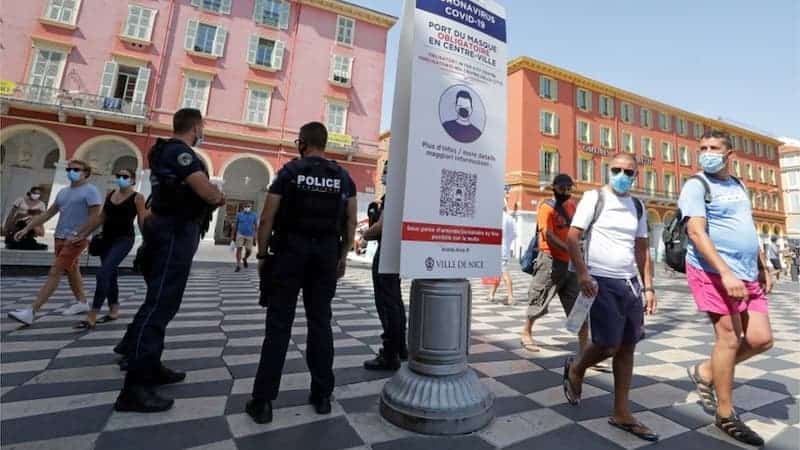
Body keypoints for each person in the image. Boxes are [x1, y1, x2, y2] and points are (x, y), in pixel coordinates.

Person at [113, 108, 225, 413]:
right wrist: (217, 195)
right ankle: (135, 388)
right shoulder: (181, 153)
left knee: (159, 300)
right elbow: (206, 190)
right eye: (202, 126)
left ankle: (148, 363)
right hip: (176, 230)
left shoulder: (163, 150)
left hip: (167, 227)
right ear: (196, 126)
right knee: (161, 304)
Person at [247, 122, 357, 424]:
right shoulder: (342, 176)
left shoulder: (289, 172)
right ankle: (322, 395)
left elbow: (267, 216)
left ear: (302, 143)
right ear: (325, 143)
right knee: (320, 322)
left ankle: (264, 402)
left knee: (279, 325)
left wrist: (261, 253)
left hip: (289, 253)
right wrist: (343, 254)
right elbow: (350, 221)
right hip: (325, 255)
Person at [679, 131, 773, 447]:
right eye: (702, 148)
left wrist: (762, 264)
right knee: (729, 339)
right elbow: (695, 231)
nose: (707, 153)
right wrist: (725, 273)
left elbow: (747, 227)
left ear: (729, 153)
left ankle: (706, 370)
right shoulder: (696, 185)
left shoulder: (738, 185)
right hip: (712, 271)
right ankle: (725, 413)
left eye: (714, 148)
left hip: (746, 272)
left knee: (761, 339)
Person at [563, 152, 659, 442]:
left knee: (628, 347)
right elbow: (572, 237)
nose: (621, 175)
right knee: (607, 343)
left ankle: (621, 411)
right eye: (616, 169)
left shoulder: (638, 207)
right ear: (608, 170)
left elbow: (642, 250)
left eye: (628, 172)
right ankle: (578, 367)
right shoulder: (594, 198)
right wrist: (582, 275)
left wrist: (649, 287)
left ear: (636, 176)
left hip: (629, 283)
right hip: (599, 280)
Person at [8, 161, 103, 325]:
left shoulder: (91, 191)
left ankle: (32, 311)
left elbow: (95, 217)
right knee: (72, 270)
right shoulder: (63, 192)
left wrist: (80, 234)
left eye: (75, 169)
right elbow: (49, 213)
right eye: (69, 169)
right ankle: (82, 303)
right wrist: (27, 228)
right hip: (59, 237)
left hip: (75, 239)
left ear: (86, 173)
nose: (71, 172)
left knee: (55, 271)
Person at [70, 169, 148, 329]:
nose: (121, 179)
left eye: (125, 176)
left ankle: (92, 314)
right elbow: (100, 218)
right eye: (118, 176)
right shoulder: (111, 194)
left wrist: (147, 242)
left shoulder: (138, 198)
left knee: (103, 273)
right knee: (110, 274)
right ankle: (114, 309)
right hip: (106, 239)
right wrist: (83, 234)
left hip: (124, 240)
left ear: (133, 180)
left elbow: (142, 220)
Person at [521, 174, 586, 353]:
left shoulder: (572, 206)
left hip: (570, 263)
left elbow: (576, 229)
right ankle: (526, 332)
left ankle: (585, 348)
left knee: (577, 305)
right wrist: (568, 248)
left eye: (568, 188)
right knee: (539, 297)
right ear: (554, 187)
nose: (565, 191)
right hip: (549, 260)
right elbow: (547, 234)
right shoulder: (546, 207)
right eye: (562, 188)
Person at [362, 163, 408, 371]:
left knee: (387, 304)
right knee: (395, 302)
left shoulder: (394, 196)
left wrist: (364, 234)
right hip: (398, 252)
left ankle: (390, 354)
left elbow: (383, 226)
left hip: (386, 253)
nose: (382, 177)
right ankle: (400, 348)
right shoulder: (406, 194)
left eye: (386, 172)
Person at [488, 198, 516, 304]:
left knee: (504, 272)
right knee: (498, 272)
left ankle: (511, 297)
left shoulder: (496, 218)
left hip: (497, 249)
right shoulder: (510, 218)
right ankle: (491, 294)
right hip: (504, 248)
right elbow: (514, 235)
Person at [3, 186, 48, 250]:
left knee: (33, 221)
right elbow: (11, 213)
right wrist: (7, 226)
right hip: (19, 221)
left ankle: (26, 238)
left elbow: (41, 218)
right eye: (35, 193)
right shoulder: (20, 200)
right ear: (30, 192)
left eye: (38, 194)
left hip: (31, 223)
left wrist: (40, 227)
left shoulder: (41, 204)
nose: (36, 195)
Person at [231, 202, 258, 272]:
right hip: (240, 234)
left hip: (250, 235)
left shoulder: (254, 215)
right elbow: (235, 225)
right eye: (246, 206)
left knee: (249, 250)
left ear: (251, 207)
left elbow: (256, 227)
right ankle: (238, 265)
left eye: (248, 206)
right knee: (239, 249)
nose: (247, 207)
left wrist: (255, 237)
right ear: (243, 207)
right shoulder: (239, 214)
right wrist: (233, 236)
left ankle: (245, 258)